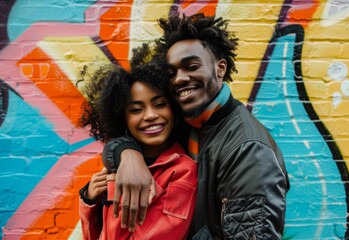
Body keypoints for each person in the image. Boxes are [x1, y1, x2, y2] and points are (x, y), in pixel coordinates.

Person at [105, 13, 290, 239]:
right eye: (171, 73)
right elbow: (124, 135)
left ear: (220, 68)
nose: (179, 79)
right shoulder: (190, 122)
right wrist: (128, 154)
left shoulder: (248, 148)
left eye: (191, 66)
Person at [78, 44, 198, 239]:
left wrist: (114, 188)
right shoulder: (118, 165)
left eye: (159, 104)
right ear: (123, 119)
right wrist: (89, 198)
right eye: (136, 109)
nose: (150, 115)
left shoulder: (182, 171)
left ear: (174, 112)